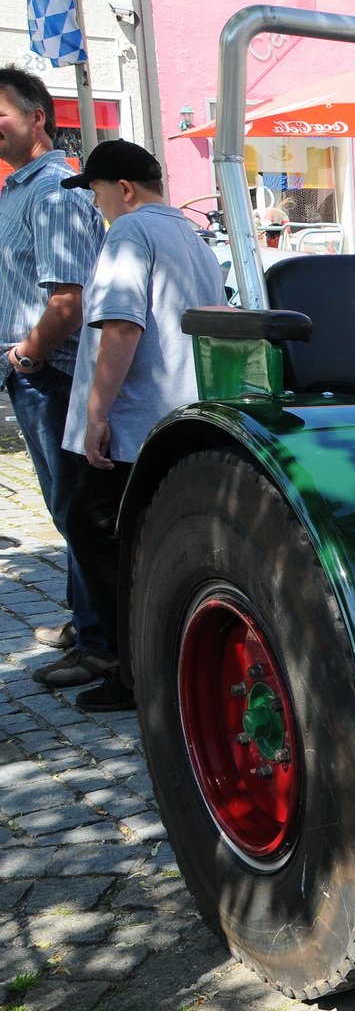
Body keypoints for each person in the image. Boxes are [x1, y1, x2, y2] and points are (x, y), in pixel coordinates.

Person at [54, 141, 227, 710]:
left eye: (99, 193)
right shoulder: (190, 234)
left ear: (123, 189)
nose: (98, 206)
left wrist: (96, 412)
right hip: (176, 410)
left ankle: (131, 673)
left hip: (135, 423)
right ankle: (147, 666)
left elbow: (121, 328)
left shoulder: (128, 232)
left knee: (99, 533)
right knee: (138, 543)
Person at [0, 66, 110, 682]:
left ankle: (100, 646)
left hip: (55, 374)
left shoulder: (57, 191)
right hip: (36, 372)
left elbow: (70, 302)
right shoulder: (20, 188)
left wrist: (26, 356)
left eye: (1, 116)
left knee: (78, 509)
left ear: (37, 117)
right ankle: (83, 618)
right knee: (66, 506)